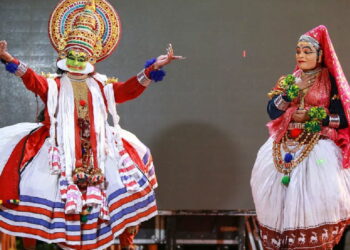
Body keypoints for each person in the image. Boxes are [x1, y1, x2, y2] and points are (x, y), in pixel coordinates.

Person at [0, 0, 183, 249]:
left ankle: (123, 241)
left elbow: (128, 90)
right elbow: (32, 80)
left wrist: (153, 68)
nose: (76, 62)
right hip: (61, 149)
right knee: (37, 186)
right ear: (65, 55)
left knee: (133, 168)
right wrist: (9, 59)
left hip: (97, 147)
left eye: (81, 56)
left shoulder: (100, 86)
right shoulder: (54, 85)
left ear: (91, 56)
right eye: (72, 56)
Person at [251, 25, 350, 249]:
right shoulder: (289, 80)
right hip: (284, 147)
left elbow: (343, 118)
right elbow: (272, 111)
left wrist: (317, 118)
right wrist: (289, 97)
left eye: (307, 51)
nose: (301, 56)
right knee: (276, 202)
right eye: (298, 51)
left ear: (320, 55)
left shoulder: (330, 81)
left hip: (319, 150)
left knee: (320, 201)